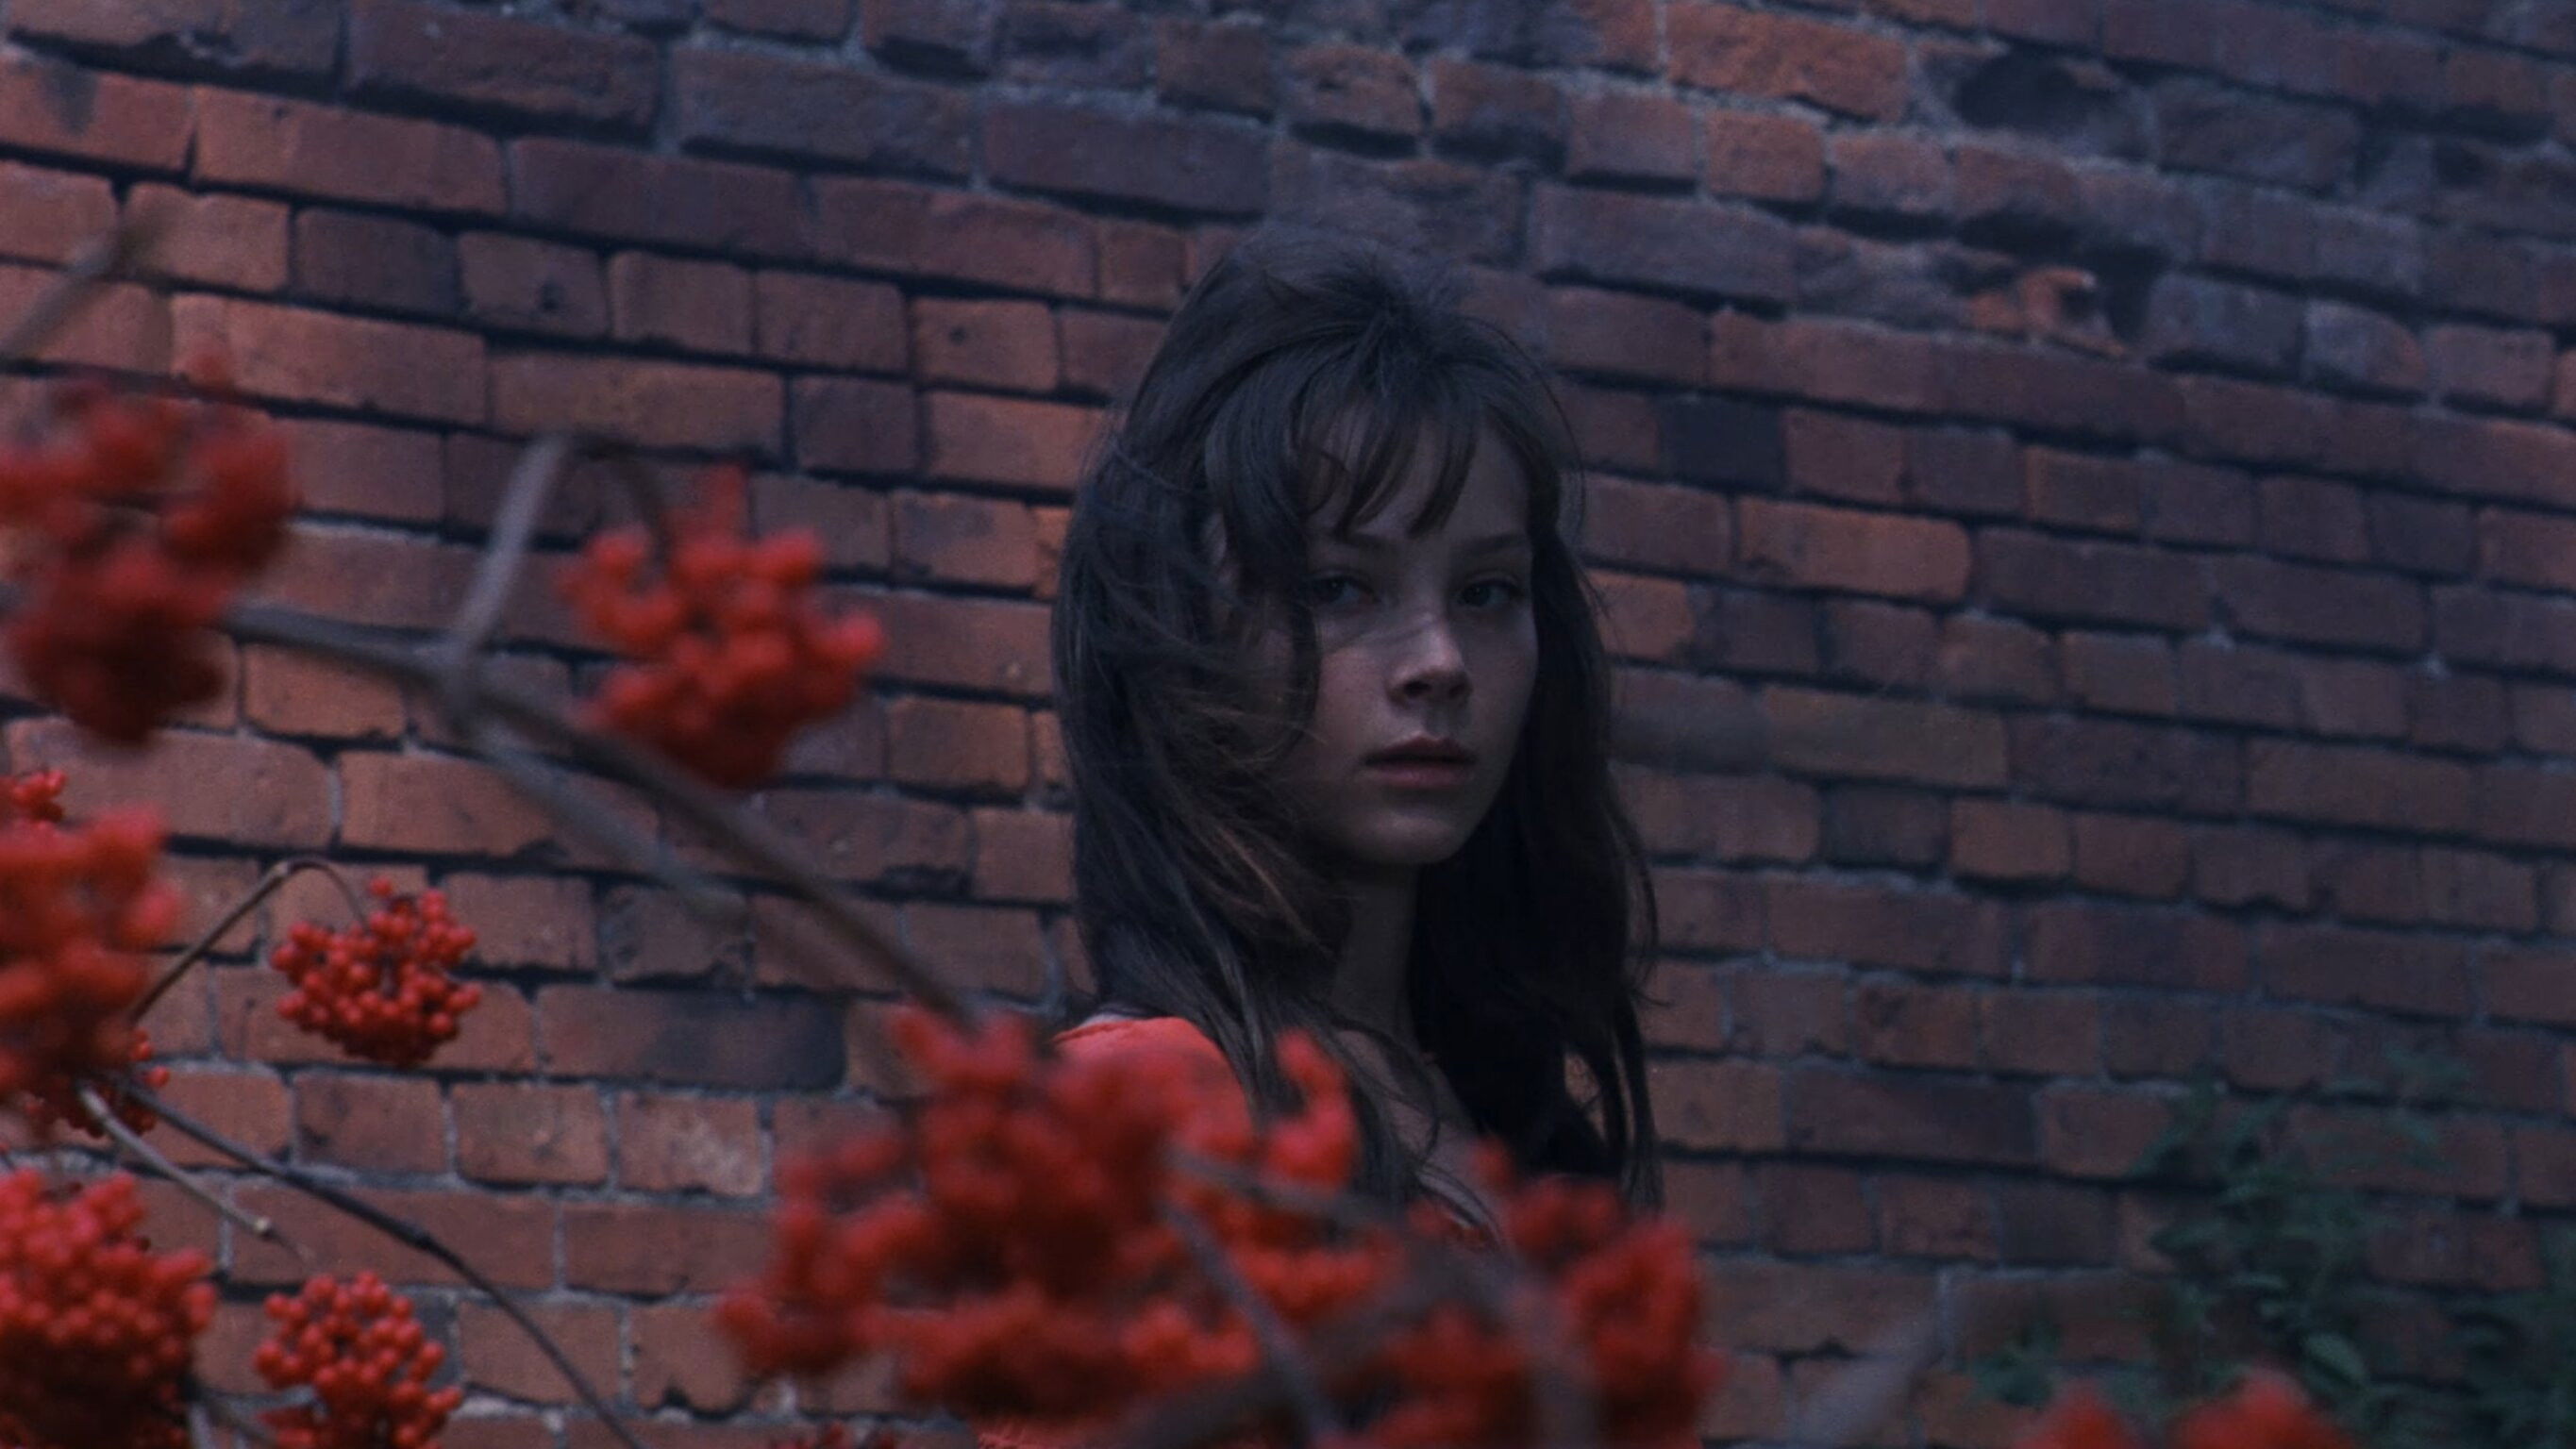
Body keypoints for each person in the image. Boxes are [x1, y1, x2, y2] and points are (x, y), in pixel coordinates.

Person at [1036, 225, 1668, 1247]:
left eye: (1486, 592)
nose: (1440, 661)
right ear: (1181, 635)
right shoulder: (1136, 1118)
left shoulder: (1517, 1134)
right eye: (1338, 587)